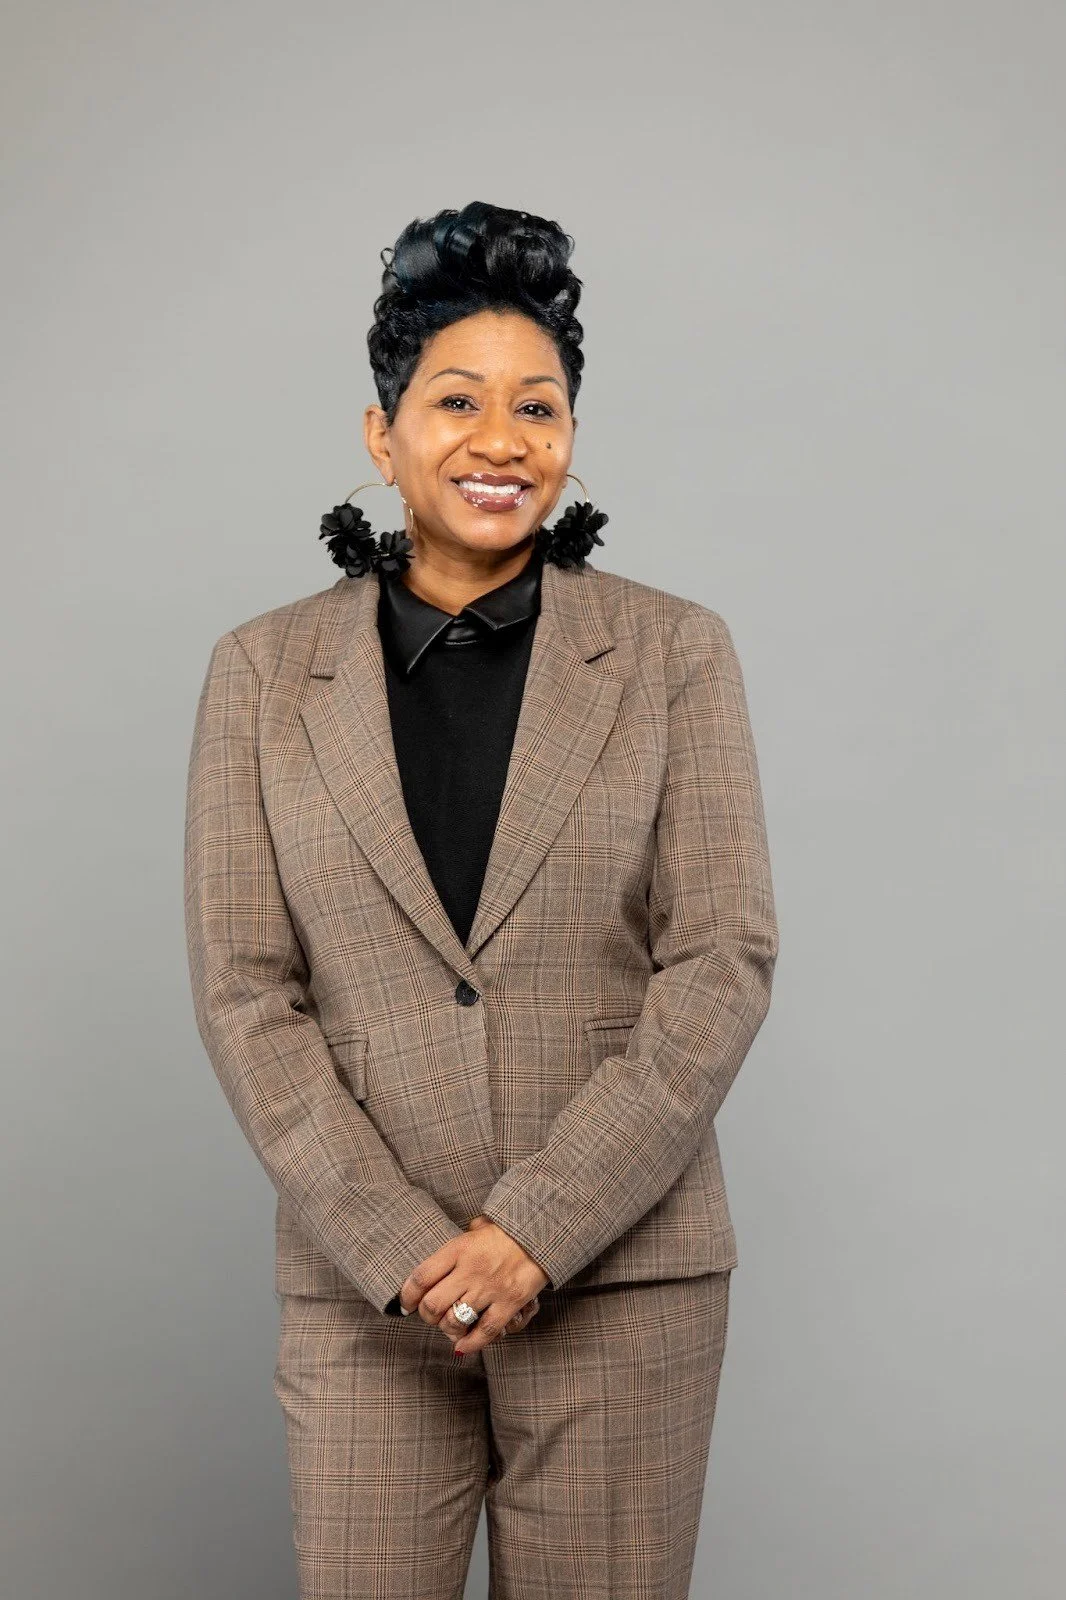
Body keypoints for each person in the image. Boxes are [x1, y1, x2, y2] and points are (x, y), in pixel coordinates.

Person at [183, 200, 779, 1599]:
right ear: (382, 433)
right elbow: (244, 992)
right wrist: (400, 1247)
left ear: (571, 434)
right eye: (457, 401)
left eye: (539, 405)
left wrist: (535, 1231)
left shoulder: (675, 654)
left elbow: (720, 961)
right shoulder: (262, 675)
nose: (502, 439)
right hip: (361, 1285)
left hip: (621, 1275)